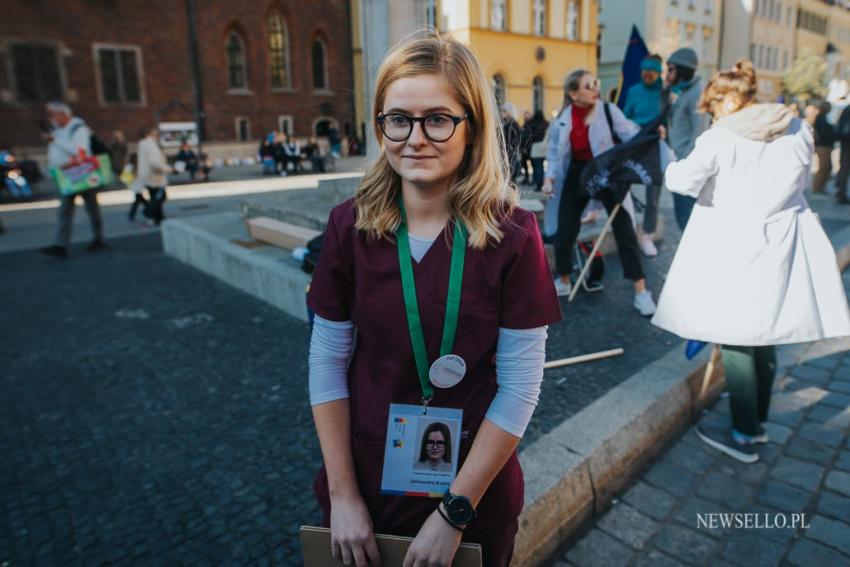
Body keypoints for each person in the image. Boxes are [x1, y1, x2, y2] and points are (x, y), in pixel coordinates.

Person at [307, 33, 561, 567]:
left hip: (473, 491)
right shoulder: (348, 228)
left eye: (438, 118)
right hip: (366, 482)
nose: (415, 138)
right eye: (398, 119)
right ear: (380, 125)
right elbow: (327, 363)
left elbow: (520, 388)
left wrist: (453, 513)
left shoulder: (514, 236)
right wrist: (342, 495)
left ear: (472, 128)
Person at [653, 60, 850, 463]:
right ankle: (756, 415)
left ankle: (745, 434)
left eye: (711, 107)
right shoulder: (798, 127)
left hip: (735, 245)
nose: (710, 114)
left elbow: (681, 181)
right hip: (783, 244)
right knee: (766, 334)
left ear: (726, 101)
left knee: (738, 340)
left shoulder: (721, 138)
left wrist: (666, 155)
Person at [542, 69, 657, 316]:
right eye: (587, 86)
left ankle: (641, 292)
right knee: (564, 231)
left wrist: (652, 133)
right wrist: (549, 177)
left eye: (595, 83)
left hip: (606, 172)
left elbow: (631, 134)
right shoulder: (563, 117)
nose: (595, 88)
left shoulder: (608, 111)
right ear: (573, 94)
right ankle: (564, 280)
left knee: (625, 230)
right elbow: (554, 153)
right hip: (577, 174)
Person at [41, 102, 106, 258]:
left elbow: (79, 151)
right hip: (66, 176)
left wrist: (54, 140)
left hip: (82, 174)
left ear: (63, 114)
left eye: (53, 115)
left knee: (91, 208)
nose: (51, 119)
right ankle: (60, 244)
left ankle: (98, 238)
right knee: (65, 210)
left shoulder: (79, 129)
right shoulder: (58, 130)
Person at [624, 54, 664, 257]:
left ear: (658, 72)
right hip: (635, 140)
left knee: (653, 194)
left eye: (652, 70)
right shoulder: (633, 91)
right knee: (619, 183)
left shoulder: (665, 92)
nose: (647, 74)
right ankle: (624, 225)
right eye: (645, 70)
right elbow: (625, 117)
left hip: (656, 144)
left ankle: (647, 234)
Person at [664, 47, 707, 230]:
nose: (668, 73)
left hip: (687, 162)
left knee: (688, 219)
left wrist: (686, 160)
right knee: (683, 217)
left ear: (683, 69)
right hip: (678, 159)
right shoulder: (682, 91)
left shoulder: (696, 92)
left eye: (671, 69)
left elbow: (700, 130)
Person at [137, 127, 171, 226]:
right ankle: (150, 213)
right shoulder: (150, 145)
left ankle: (159, 217)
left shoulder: (143, 144)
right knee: (160, 197)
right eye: (155, 134)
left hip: (148, 175)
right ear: (150, 134)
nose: (157, 136)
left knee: (155, 197)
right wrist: (168, 169)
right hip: (154, 176)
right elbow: (154, 163)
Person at [812, 101, 835, 194]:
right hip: (822, 145)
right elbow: (823, 133)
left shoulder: (823, 118)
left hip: (824, 145)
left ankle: (821, 187)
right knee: (823, 168)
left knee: (827, 167)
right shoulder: (820, 118)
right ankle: (817, 187)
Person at [527, 110, 550, 191]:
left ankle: (539, 184)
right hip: (545, 147)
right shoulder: (547, 124)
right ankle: (544, 183)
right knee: (544, 168)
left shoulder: (532, 124)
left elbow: (530, 137)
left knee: (537, 167)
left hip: (536, 148)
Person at [501, 103, 522, 182]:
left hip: (510, 152)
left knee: (510, 176)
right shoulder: (504, 123)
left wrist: (512, 148)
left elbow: (517, 138)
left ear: (510, 112)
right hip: (504, 152)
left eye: (504, 110)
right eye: (502, 110)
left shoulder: (513, 124)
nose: (502, 112)